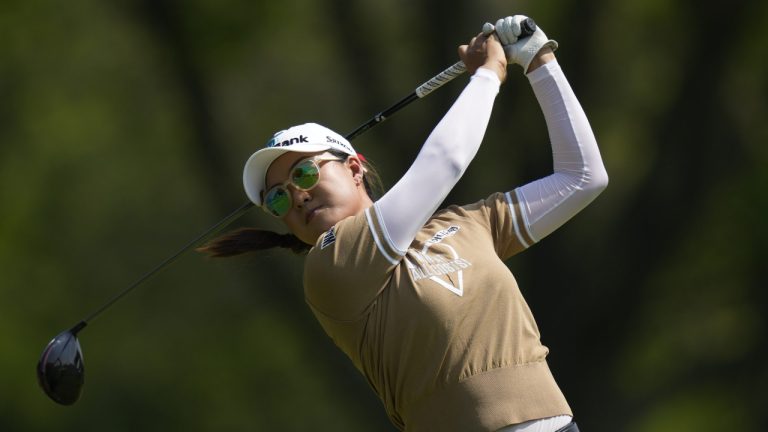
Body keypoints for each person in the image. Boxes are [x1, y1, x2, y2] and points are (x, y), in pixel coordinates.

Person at [199, 15, 608, 432]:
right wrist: (489, 75)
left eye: (304, 173)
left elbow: (583, 178)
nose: (297, 196)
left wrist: (539, 60)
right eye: (278, 197)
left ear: (354, 169)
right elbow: (444, 161)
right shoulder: (331, 264)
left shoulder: (467, 225)